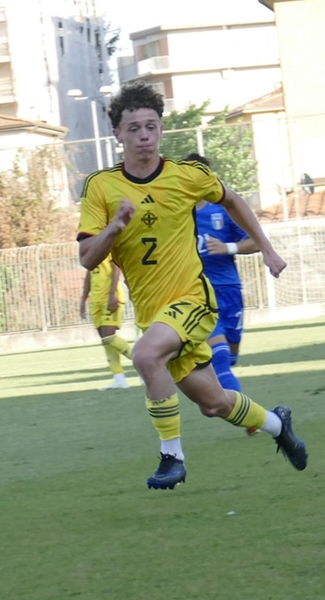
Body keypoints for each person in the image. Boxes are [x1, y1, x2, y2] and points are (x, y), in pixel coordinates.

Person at [77, 82, 307, 490]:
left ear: (162, 130)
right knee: (214, 403)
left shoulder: (188, 176)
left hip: (192, 299)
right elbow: (88, 258)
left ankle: (172, 458)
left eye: (151, 126)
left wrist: (267, 249)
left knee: (146, 357)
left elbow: (232, 200)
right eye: (134, 128)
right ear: (117, 134)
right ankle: (277, 425)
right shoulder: (101, 187)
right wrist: (114, 227)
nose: (144, 135)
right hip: (153, 313)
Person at [185, 152, 257, 393]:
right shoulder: (176, 215)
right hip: (199, 295)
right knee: (221, 359)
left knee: (231, 354)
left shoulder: (224, 209)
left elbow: (256, 241)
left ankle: (224, 392)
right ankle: (248, 416)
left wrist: (228, 247)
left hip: (230, 290)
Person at [79, 260, 133, 389]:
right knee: (106, 341)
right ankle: (119, 379)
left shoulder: (107, 243)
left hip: (110, 298)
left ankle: (147, 363)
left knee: (109, 337)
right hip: (96, 300)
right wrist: (83, 299)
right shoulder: (90, 245)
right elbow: (89, 274)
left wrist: (111, 293)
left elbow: (116, 268)